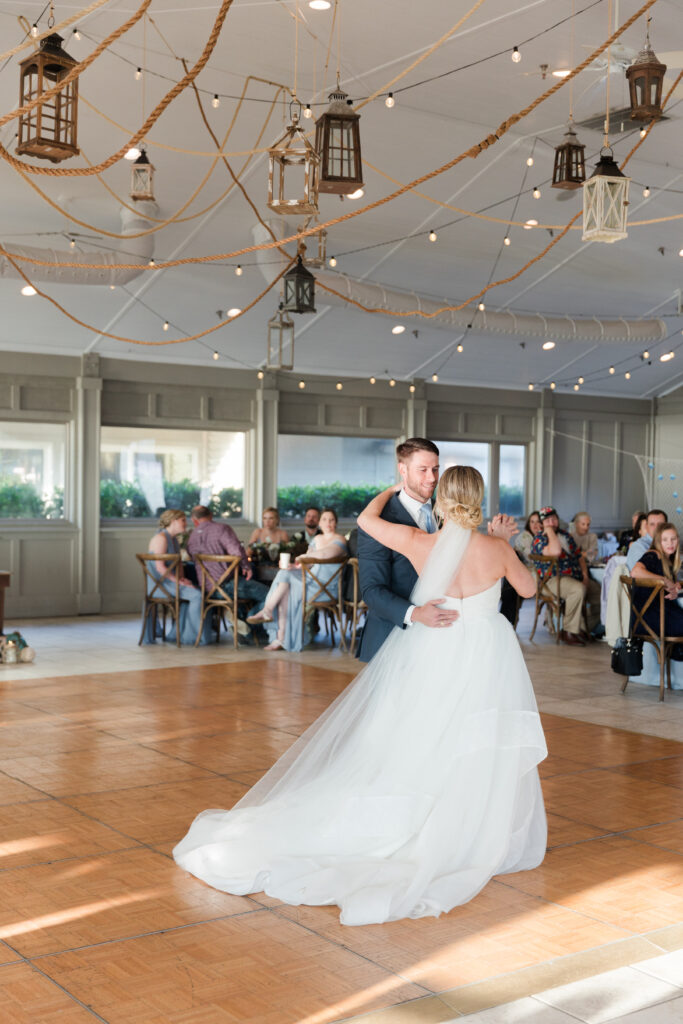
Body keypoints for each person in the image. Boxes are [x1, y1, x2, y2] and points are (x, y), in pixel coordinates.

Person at [173, 465, 546, 926]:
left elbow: (367, 522)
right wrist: (505, 544)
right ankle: (469, 828)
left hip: (436, 652)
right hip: (488, 654)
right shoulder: (496, 549)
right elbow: (528, 588)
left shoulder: (421, 542)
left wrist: (396, 487)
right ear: (479, 497)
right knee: (477, 738)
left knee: (423, 735)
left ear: (441, 499)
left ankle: (416, 815)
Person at [357, 437, 459, 663]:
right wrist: (416, 614)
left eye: (435, 469)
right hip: (393, 638)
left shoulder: (449, 512)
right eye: (422, 470)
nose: (432, 478)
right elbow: (372, 590)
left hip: (444, 639)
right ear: (402, 469)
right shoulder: (379, 521)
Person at [247, 508, 348, 652]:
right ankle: (277, 629)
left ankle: (275, 626)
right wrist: (294, 566)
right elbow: (309, 564)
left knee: (285, 583)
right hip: (310, 581)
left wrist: (304, 557)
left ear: (336, 523)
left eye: (331, 519)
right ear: (320, 522)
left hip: (325, 587)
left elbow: (328, 553)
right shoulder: (317, 539)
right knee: (285, 575)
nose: (328, 523)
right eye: (324, 519)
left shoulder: (340, 539)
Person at [186, 505, 270, 638]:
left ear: (194, 520)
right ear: (211, 516)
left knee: (248, 593)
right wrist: (246, 567)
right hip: (229, 586)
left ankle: (243, 630)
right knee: (271, 594)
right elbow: (236, 551)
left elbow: (191, 558)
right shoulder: (222, 529)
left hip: (207, 590)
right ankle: (249, 626)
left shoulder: (192, 537)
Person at [143, 509, 213, 645]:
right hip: (159, 585)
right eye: (183, 520)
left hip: (168, 582)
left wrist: (182, 579)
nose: (186, 523)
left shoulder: (173, 539)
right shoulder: (161, 539)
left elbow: (178, 563)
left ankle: (177, 634)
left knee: (199, 590)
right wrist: (179, 582)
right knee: (197, 595)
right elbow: (160, 568)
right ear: (173, 521)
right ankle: (190, 637)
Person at [531, 506, 595, 645]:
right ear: (542, 523)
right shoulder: (539, 539)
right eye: (547, 520)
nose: (552, 522)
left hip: (574, 577)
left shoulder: (566, 535)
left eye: (554, 519)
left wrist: (584, 575)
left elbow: (579, 557)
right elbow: (555, 551)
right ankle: (569, 631)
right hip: (551, 581)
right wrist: (548, 531)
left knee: (599, 593)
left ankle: (583, 628)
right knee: (577, 590)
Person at [631, 523, 683, 644]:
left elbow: (669, 591)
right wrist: (664, 580)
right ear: (658, 541)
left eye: (673, 539)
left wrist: (675, 590)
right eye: (665, 540)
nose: (670, 543)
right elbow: (635, 572)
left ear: (678, 540)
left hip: (662, 613)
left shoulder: (668, 561)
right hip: (649, 617)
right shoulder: (654, 555)